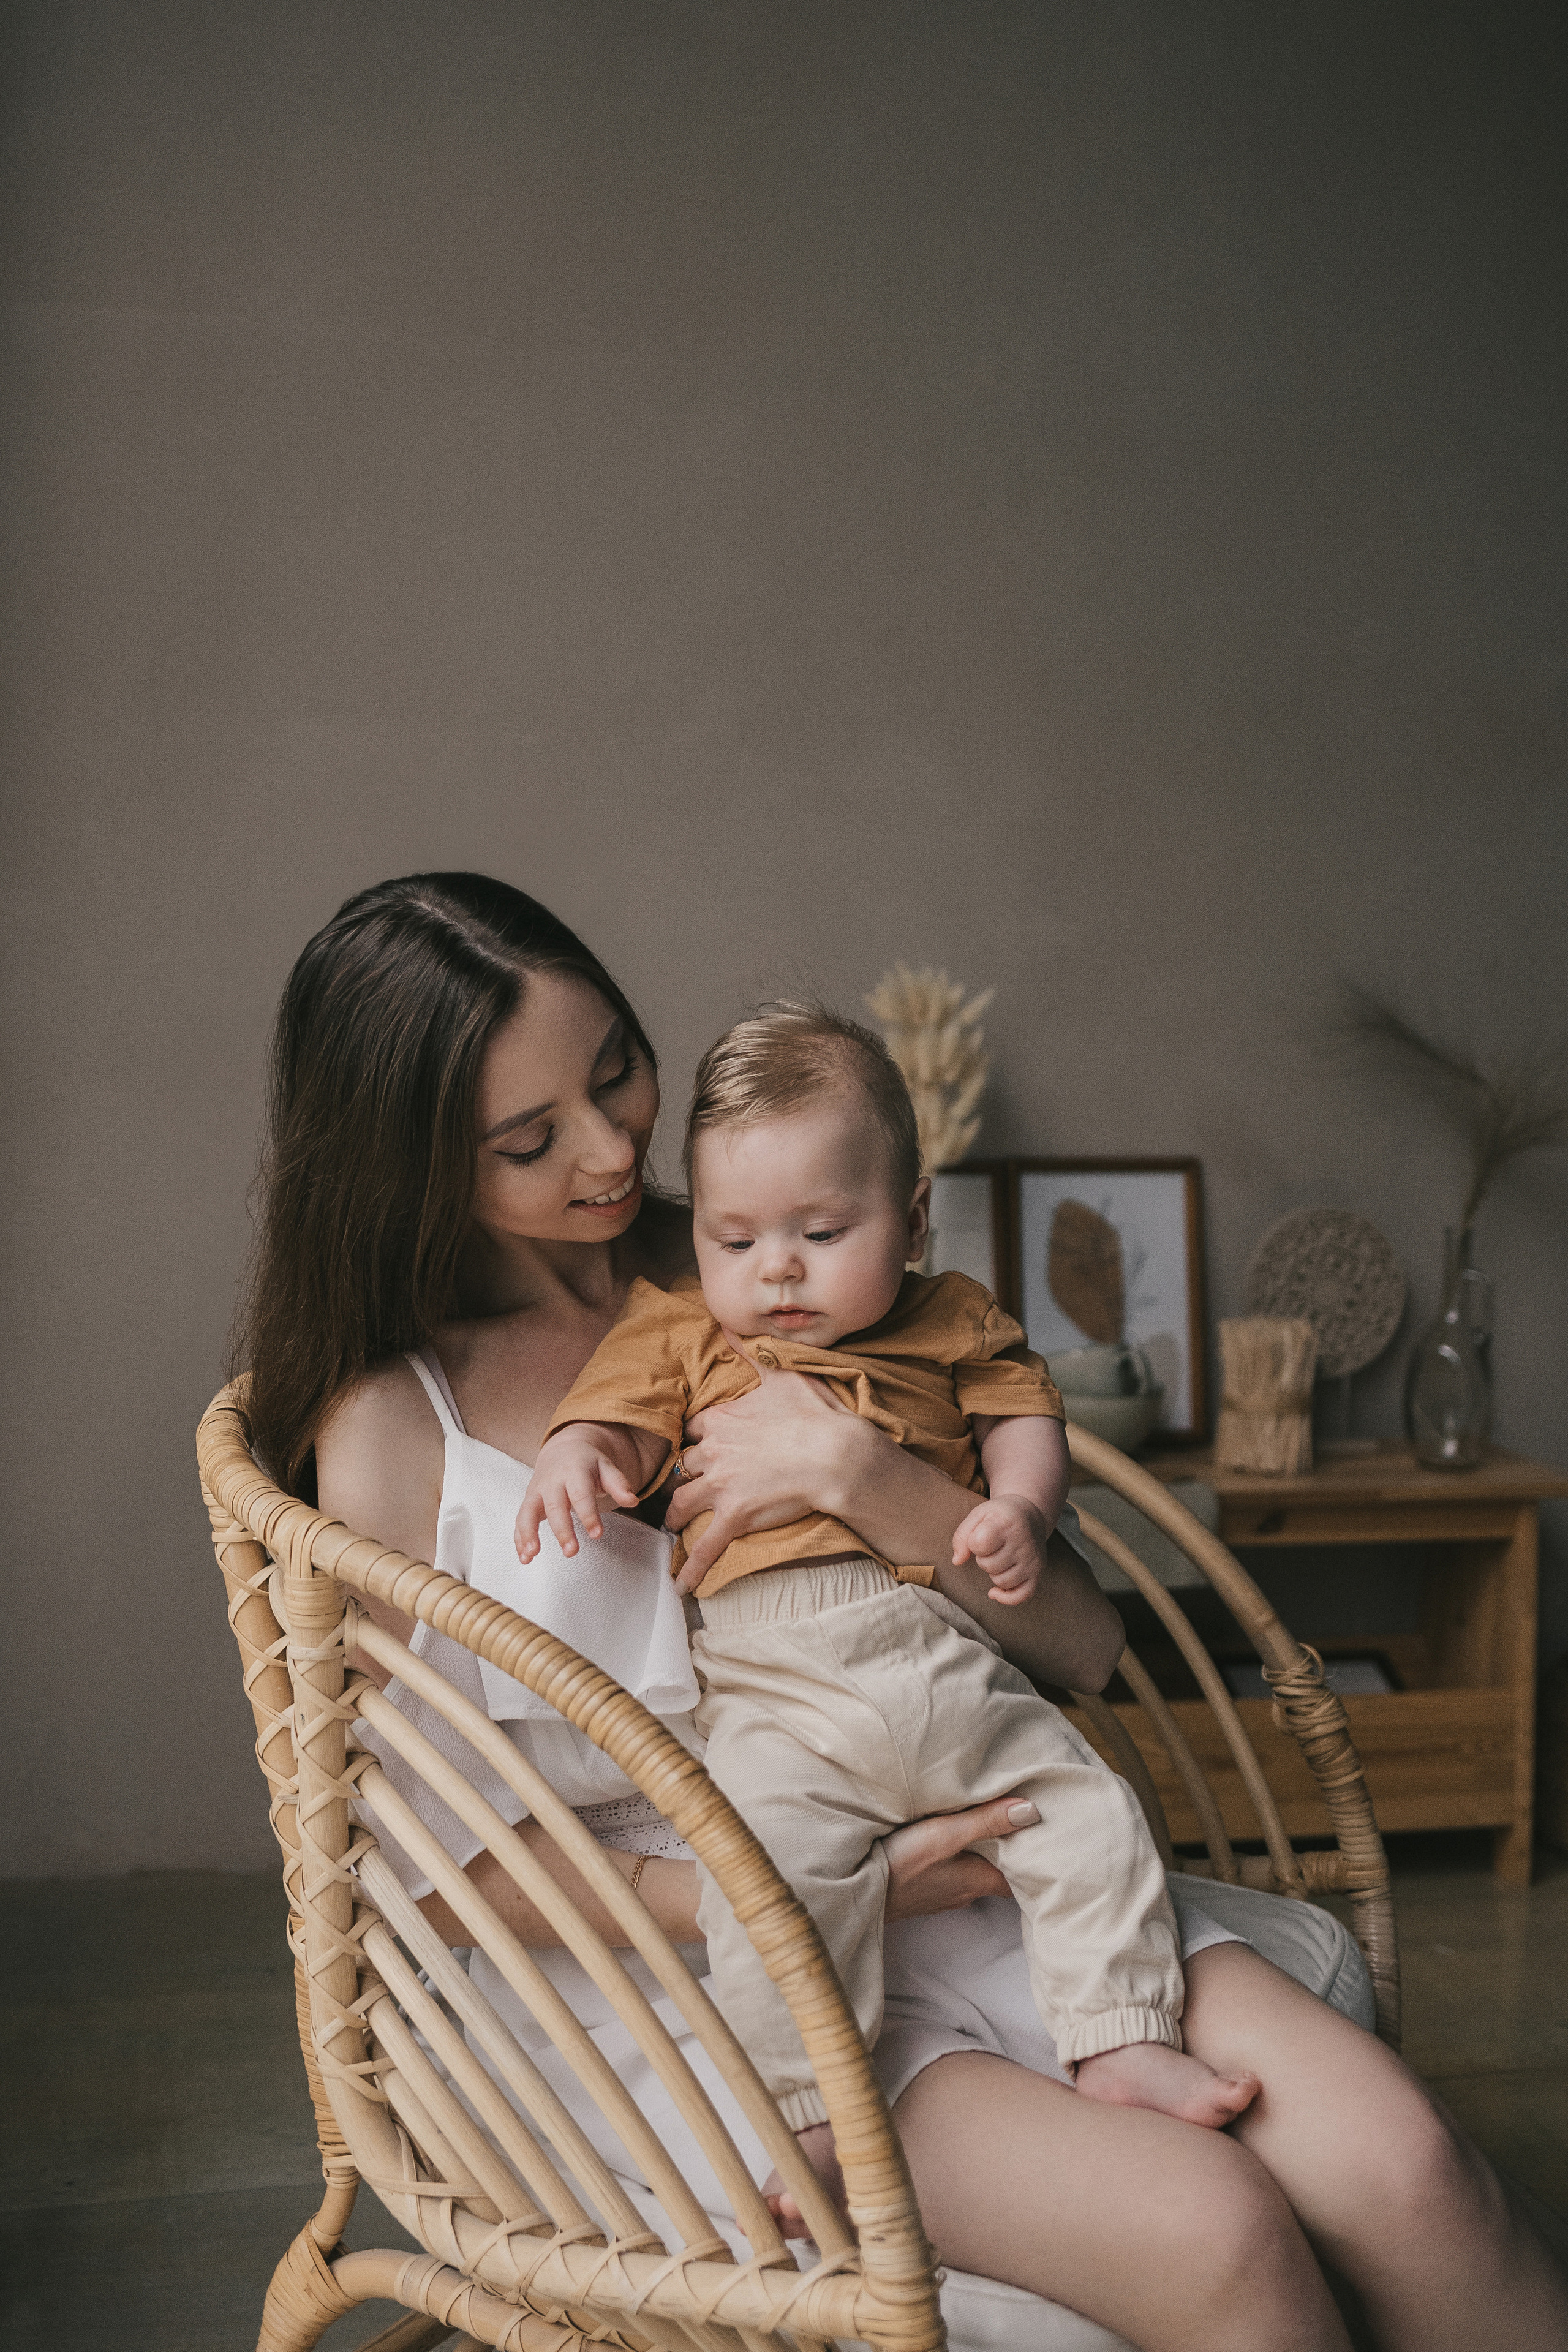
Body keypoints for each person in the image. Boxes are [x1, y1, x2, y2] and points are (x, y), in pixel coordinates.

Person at [237, 870, 1568, 2352]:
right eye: (529, 1139)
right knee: (1222, 2235)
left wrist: (870, 1479)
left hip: (952, 1815)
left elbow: (1083, 1645)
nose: (614, 1149)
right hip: (666, 1967)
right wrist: (836, 1889)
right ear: (412, 1164)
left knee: (1414, 2172)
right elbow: (420, 1871)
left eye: (615, 1071)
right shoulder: (390, 1423)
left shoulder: (782, 1247)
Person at [520, 998, 1259, 2150]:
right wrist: (578, 1454)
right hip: (770, 1687)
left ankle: (1120, 2036)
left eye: (822, 1232)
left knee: (1086, 1810)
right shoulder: (680, 1329)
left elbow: (1024, 1418)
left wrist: (1019, 1506)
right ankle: (807, 2113)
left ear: (911, 1221)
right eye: (734, 1242)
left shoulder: (952, 1316)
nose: (777, 1270)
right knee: (767, 1888)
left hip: (939, 1654)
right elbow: (617, 1418)